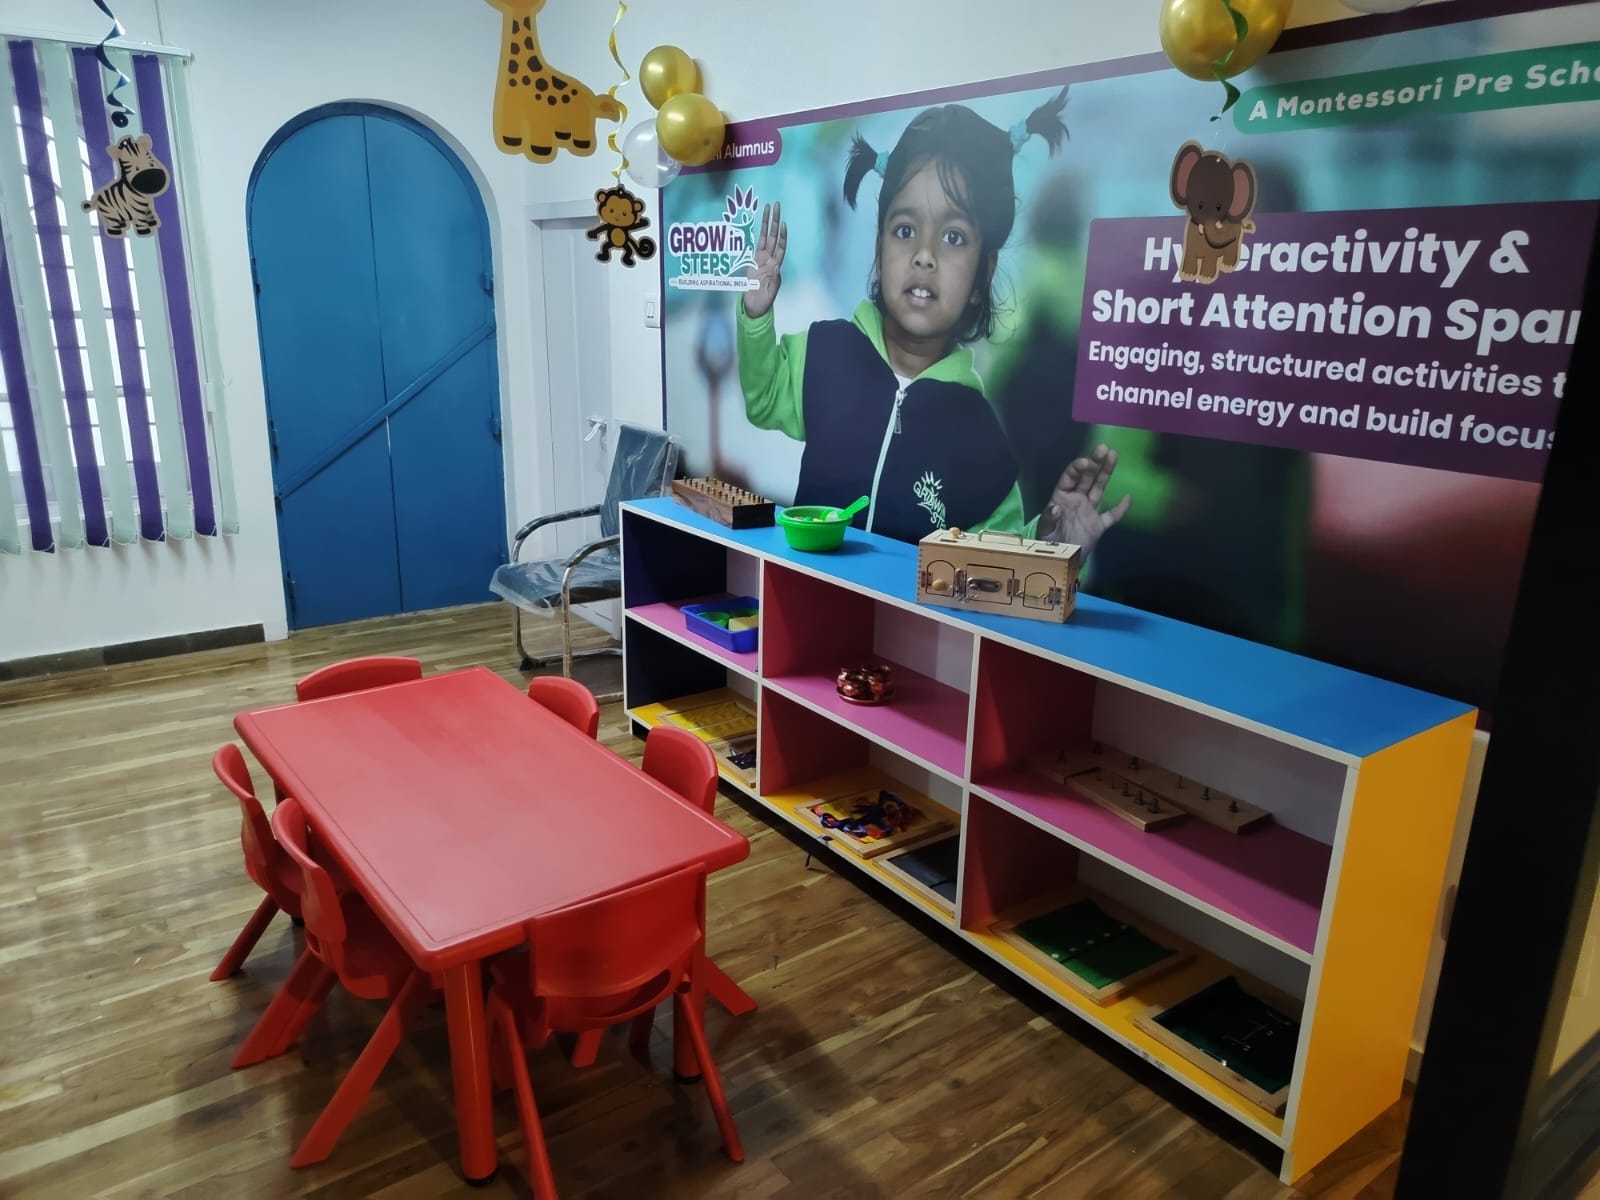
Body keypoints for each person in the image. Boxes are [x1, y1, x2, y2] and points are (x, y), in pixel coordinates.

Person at [735, 92, 1132, 555]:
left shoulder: (984, 441)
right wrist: (756, 315)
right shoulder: (825, 351)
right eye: (905, 230)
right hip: (800, 593)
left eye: (953, 237)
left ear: (983, 274)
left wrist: (1048, 540)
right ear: (879, 250)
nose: (924, 255)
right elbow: (764, 399)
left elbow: (993, 556)